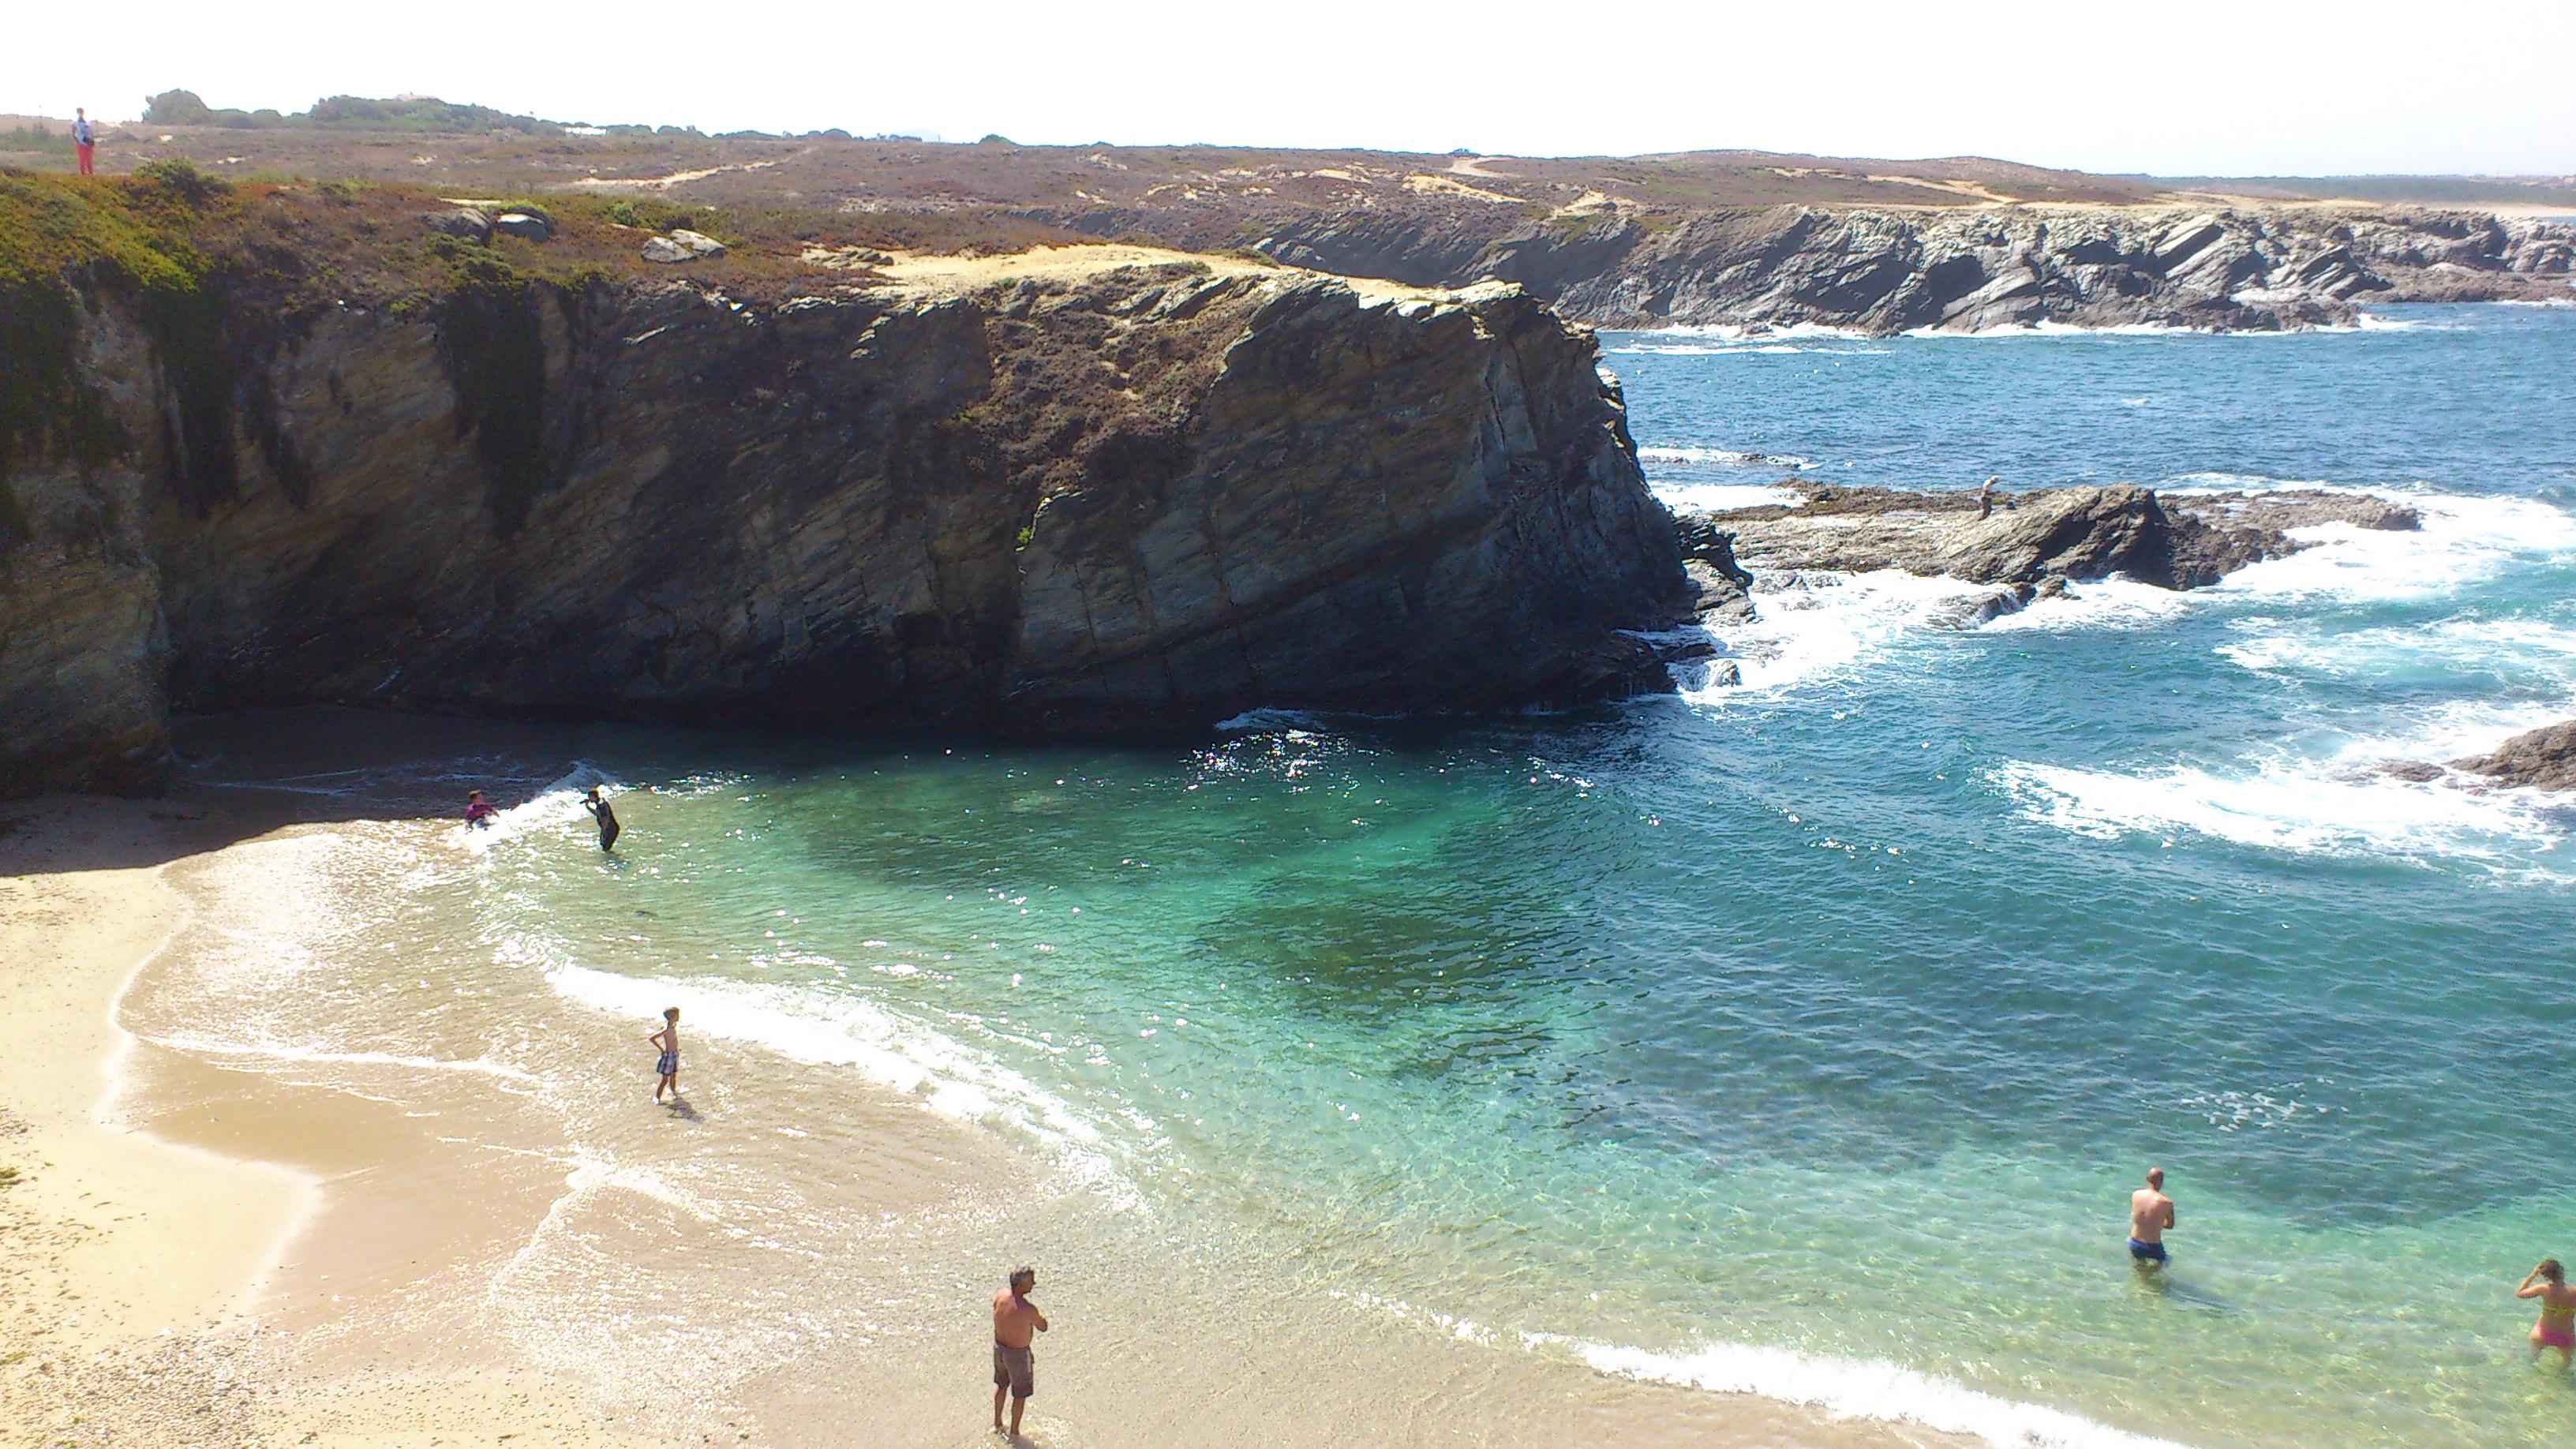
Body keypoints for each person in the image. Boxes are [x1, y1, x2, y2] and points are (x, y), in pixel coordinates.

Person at [992, 1266, 1048, 1438]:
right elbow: (1043, 1327)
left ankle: (998, 1422)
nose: (1034, 1284)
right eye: (1031, 1281)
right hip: (1017, 1355)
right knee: (1020, 1394)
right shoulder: (1026, 1309)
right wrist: (1042, 1317)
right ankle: (1015, 1431)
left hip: (999, 1348)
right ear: (1021, 1284)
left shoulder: (1000, 1295)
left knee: (1001, 1385)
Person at [2520, 1260, 2576, 1361]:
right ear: (2562, 1271)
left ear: (2545, 1276)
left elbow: (2520, 1293)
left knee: (2533, 1360)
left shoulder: (2543, 1289)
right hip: (2565, 1336)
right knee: (2566, 1365)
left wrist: (2533, 1274)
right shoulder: (2574, 1291)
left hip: (2542, 1334)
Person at [2129, 1166, 2177, 1267]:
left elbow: (2137, 1215)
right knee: (2165, 1262)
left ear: (2147, 1179)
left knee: (2140, 1266)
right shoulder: (2167, 1203)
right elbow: (2170, 1225)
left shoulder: (2136, 1194)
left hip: (2134, 1242)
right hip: (2153, 1247)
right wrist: (2156, 1224)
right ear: (2162, 1182)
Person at [648, 1007, 680, 1100]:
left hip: (674, 1055)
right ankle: (657, 1098)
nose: (679, 1017)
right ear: (672, 1017)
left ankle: (674, 1092)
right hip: (668, 1056)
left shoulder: (673, 1026)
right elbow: (652, 1038)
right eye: (678, 1015)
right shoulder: (666, 1029)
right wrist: (662, 1049)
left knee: (674, 1075)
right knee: (665, 1079)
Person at [582, 785, 620, 852]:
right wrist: (587, 806)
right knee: (604, 847)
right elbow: (598, 814)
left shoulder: (601, 805)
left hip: (611, 829)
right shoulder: (599, 803)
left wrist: (603, 832)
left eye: (589, 797)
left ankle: (613, 860)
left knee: (605, 848)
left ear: (593, 797)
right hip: (609, 829)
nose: (588, 798)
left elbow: (605, 819)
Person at [72, 108, 95, 177]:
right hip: (81, 143)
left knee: (89, 160)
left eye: (81, 112)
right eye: (79, 112)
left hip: (88, 142)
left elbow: (91, 134)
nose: (81, 113)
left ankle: (91, 174)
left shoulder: (88, 124)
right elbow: (73, 133)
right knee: (82, 160)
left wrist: (92, 142)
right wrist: (78, 141)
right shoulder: (75, 124)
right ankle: (83, 175)